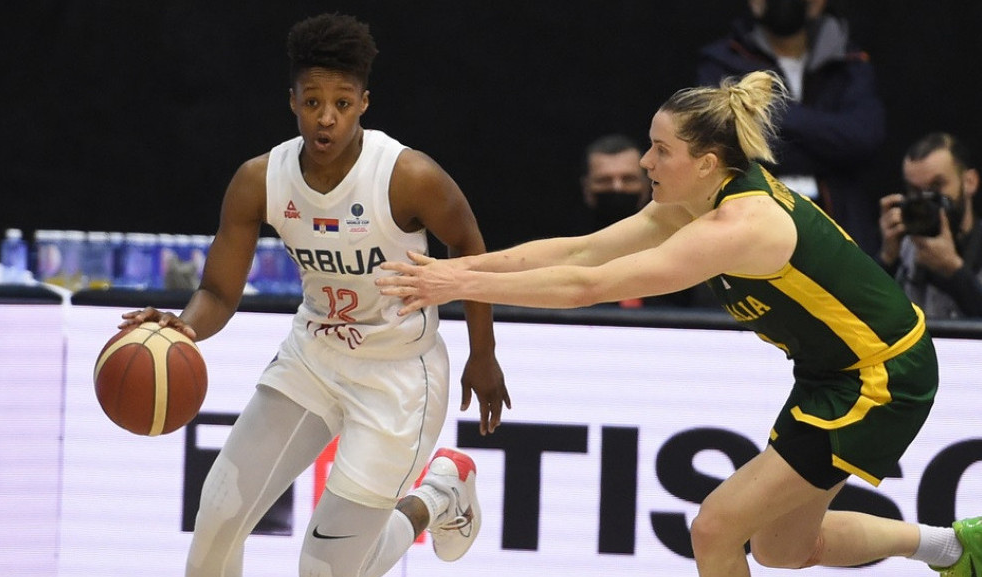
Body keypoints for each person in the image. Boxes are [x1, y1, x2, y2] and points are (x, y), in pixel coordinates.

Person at [378, 70, 980, 577]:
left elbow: (589, 287)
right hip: (833, 372)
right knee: (782, 548)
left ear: (707, 162)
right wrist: (455, 268)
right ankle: (955, 549)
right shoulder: (690, 203)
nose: (646, 160)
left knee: (714, 529)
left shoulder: (739, 227)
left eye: (661, 150)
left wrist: (457, 287)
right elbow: (580, 251)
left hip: (882, 375)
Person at [119, 13, 509, 577]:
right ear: (293, 102)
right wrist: (184, 326)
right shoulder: (259, 179)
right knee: (219, 514)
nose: (327, 118)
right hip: (313, 357)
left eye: (342, 103)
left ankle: (439, 496)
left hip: (398, 376)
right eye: (312, 102)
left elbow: (469, 247)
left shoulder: (407, 176)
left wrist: (483, 353)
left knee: (324, 570)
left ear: (364, 104)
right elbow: (219, 292)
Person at [697, 0, 886, 256]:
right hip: (750, 230)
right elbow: (733, 146)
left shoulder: (850, 63)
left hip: (842, 230)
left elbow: (863, 138)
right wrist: (831, 146)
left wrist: (771, 110)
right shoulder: (720, 63)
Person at [580, 134, 717, 309]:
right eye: (604, 181)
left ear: (647, 185)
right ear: (587, 188)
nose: (617, 188)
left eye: (628, 179)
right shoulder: (573, 252)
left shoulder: (685, 250)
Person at [878, 132, 982, 319]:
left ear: (970, 182)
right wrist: (886, 260)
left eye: (936, 186)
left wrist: (954, 270)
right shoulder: (904, 248)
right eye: (915, 190)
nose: (925, 199)